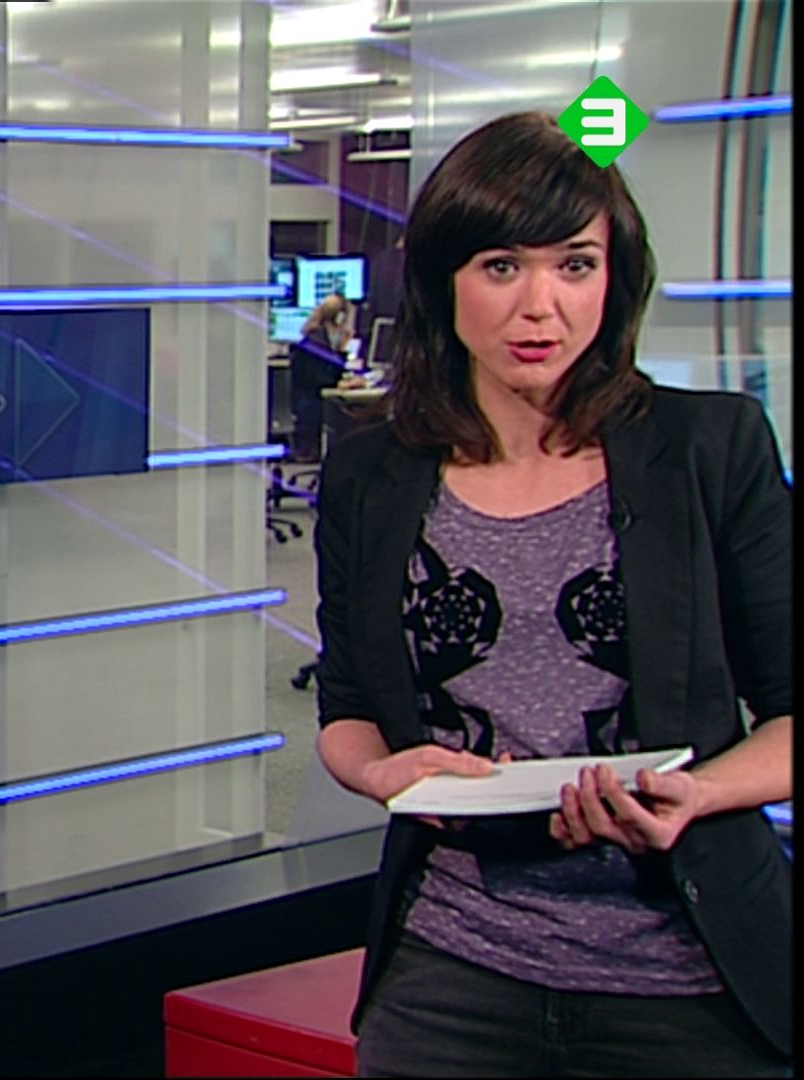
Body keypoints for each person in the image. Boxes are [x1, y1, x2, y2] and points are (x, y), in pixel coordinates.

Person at [312, 111, 792, 1077]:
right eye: (501, 266)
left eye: (575, 265)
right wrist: (383, 775)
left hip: (685, 983)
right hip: (451, 976)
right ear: (443, 281)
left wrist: (698, 794)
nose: (541, 307)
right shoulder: (372, 474)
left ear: (615, 280)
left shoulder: (711, 448)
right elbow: (348, 709)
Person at [290, 293, 355, 462]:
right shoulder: (317, 341)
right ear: (339, 317)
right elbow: (325, 378)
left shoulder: (317, 337)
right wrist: (343, 349)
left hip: (310, 404)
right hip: (312, 408)